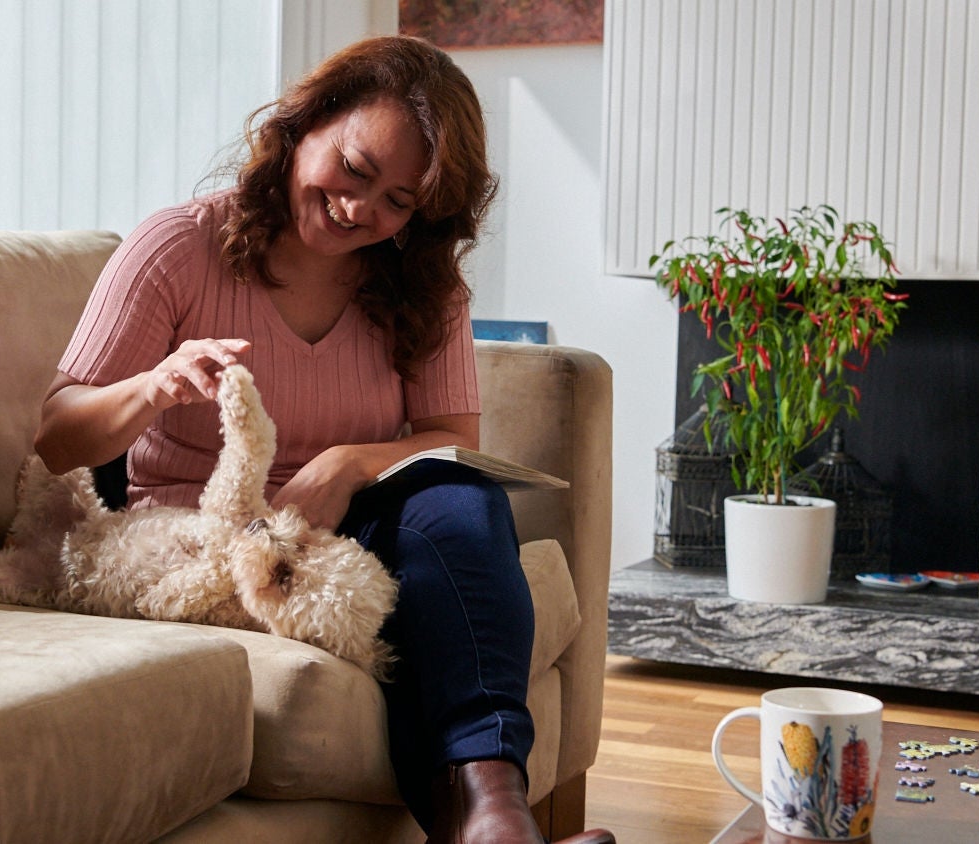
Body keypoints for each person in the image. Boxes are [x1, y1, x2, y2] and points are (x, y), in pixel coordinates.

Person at [33, 35, 615, 844]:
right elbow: (57, 436)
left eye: (399, 202)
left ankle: (493, 813)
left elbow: (452, 440)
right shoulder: (178, 246)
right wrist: (155, 384)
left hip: (356, 529)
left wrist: (347, 465)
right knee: (433, 596)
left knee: (461, 507)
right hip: (205, 538)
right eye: (354, 168)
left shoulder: (423, 286)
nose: (361, 209)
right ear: (304, 123)